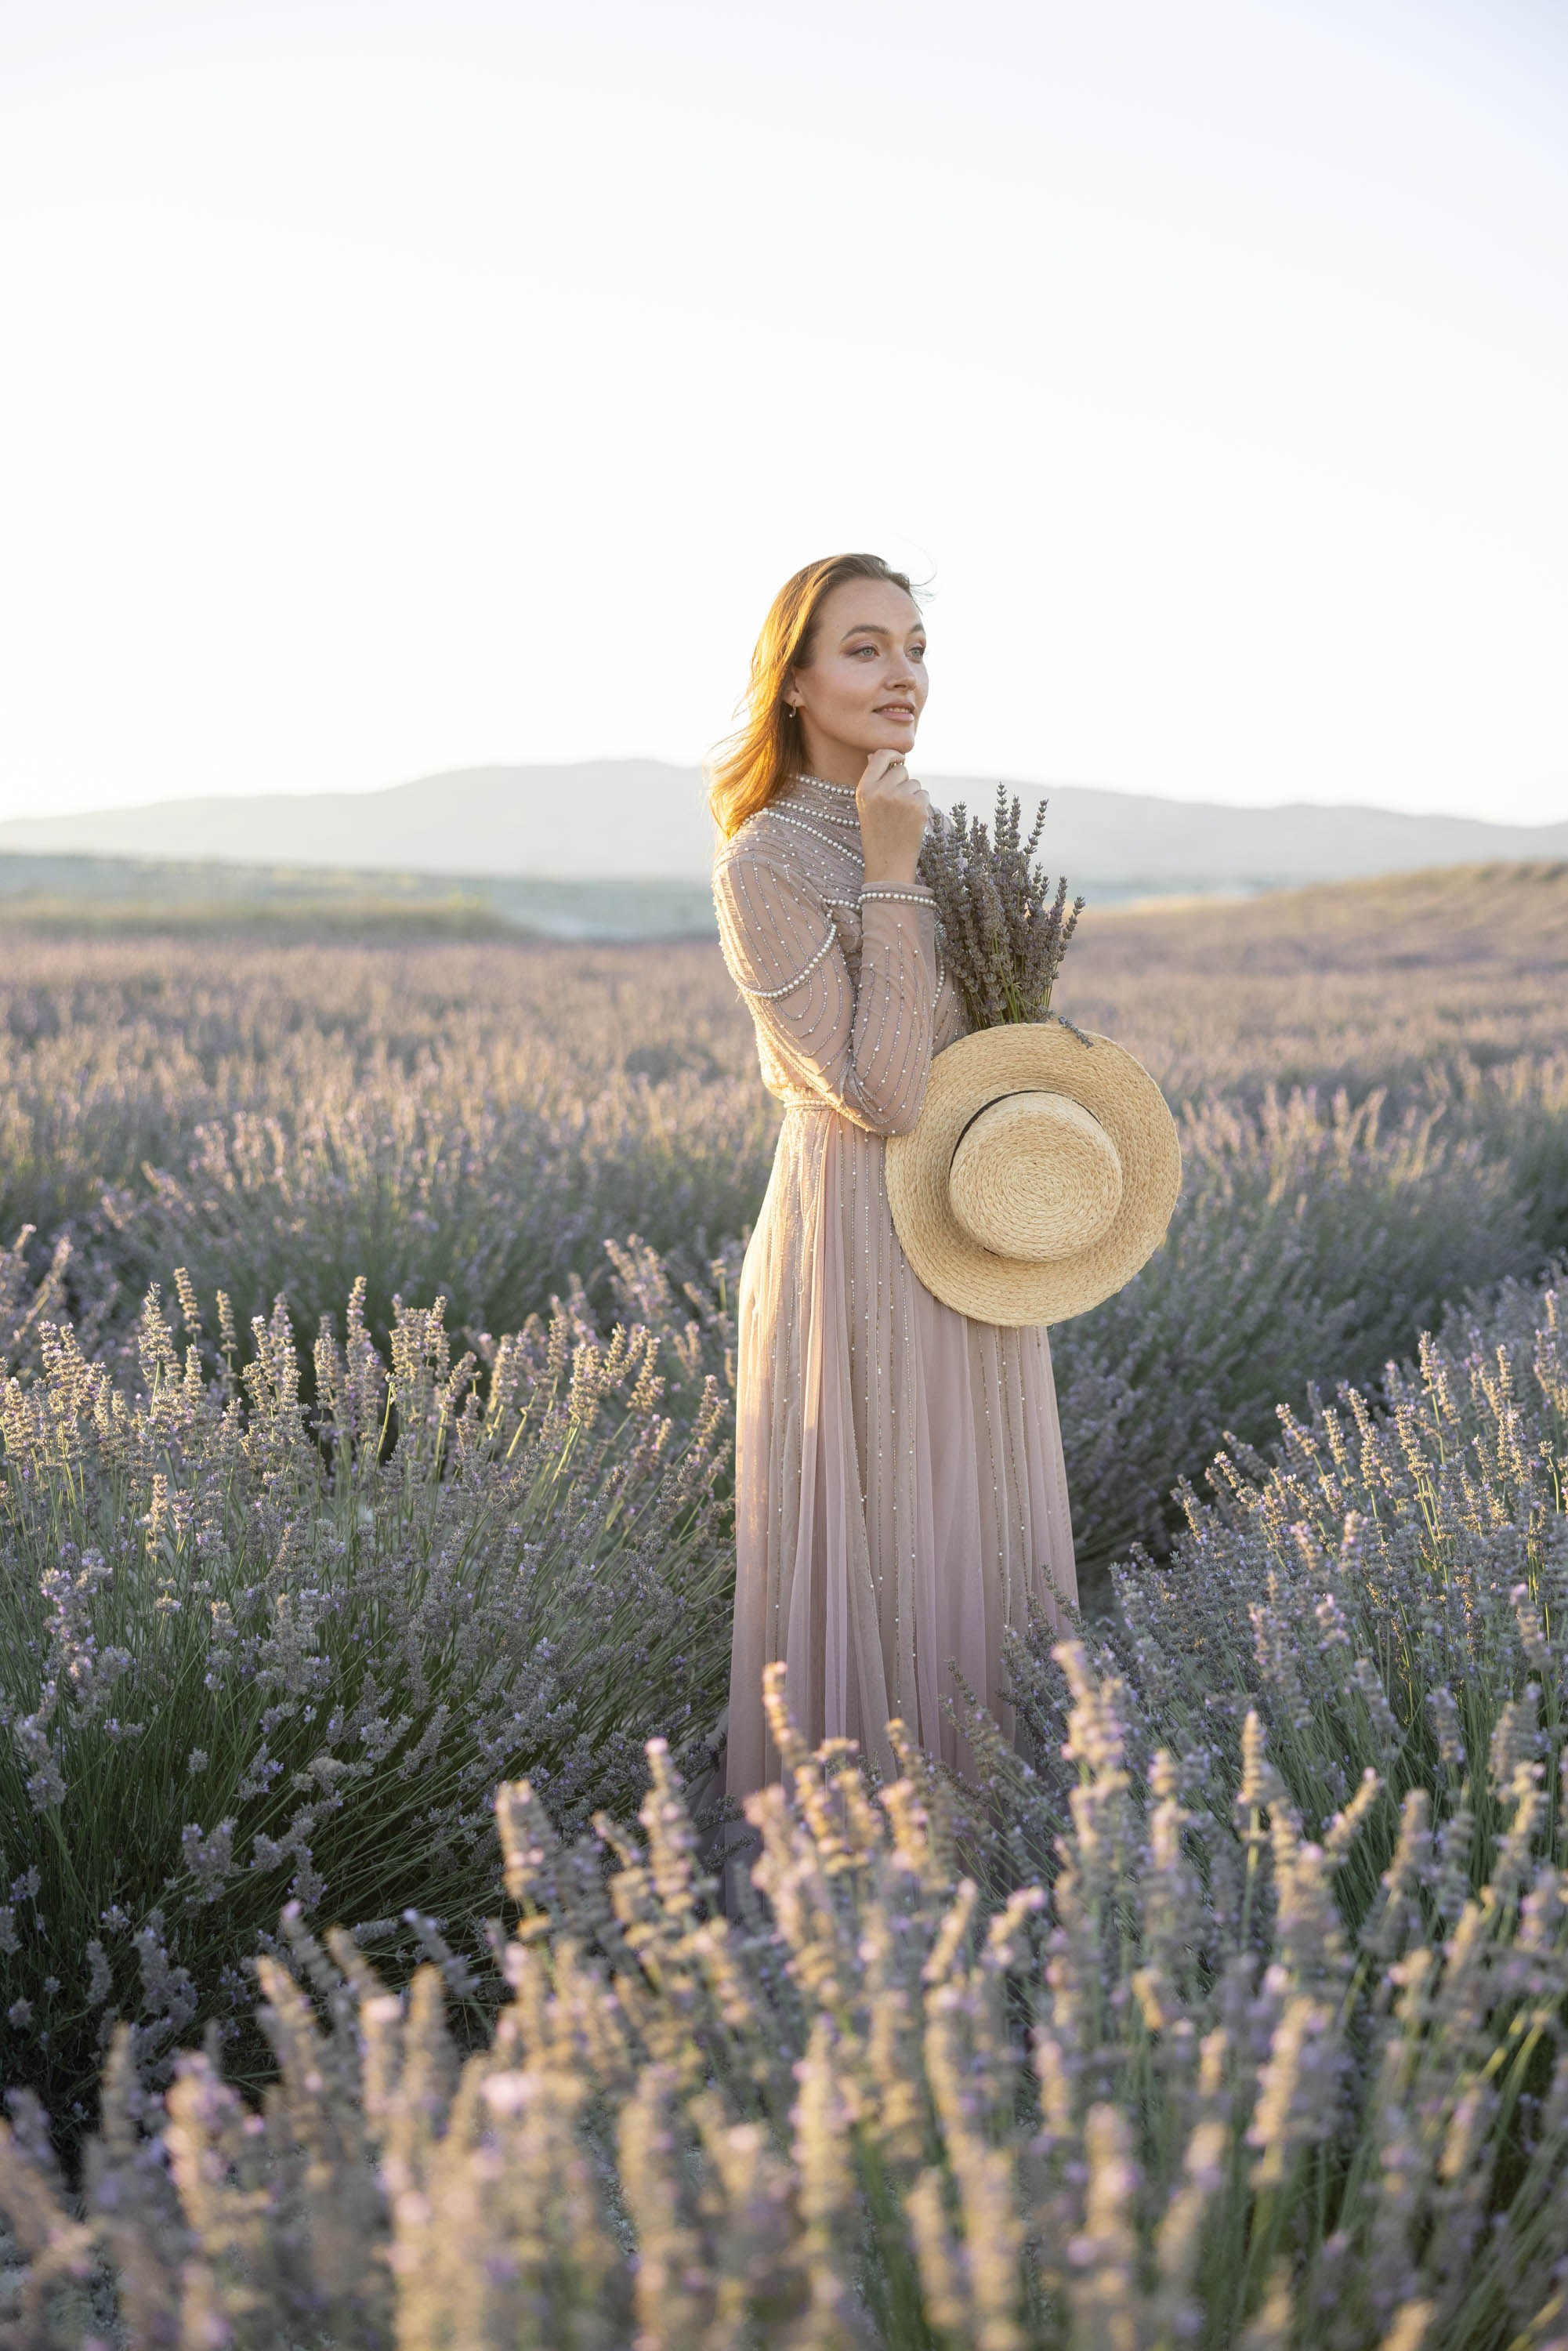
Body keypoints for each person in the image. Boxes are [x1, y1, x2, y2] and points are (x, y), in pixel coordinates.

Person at [710, 552, 1077, 1797]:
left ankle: (1000, 1857)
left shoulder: (922, 832)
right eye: (865, 648)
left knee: (981, 1534)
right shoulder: (763, 861)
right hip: (854, 1235)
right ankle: (859, 1877)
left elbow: (976, 1059)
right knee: (881, 1542)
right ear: (797, 683)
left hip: (966, 1233)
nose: (903, 673)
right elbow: (882, 1093)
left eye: (915, 646)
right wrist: (888, 865)